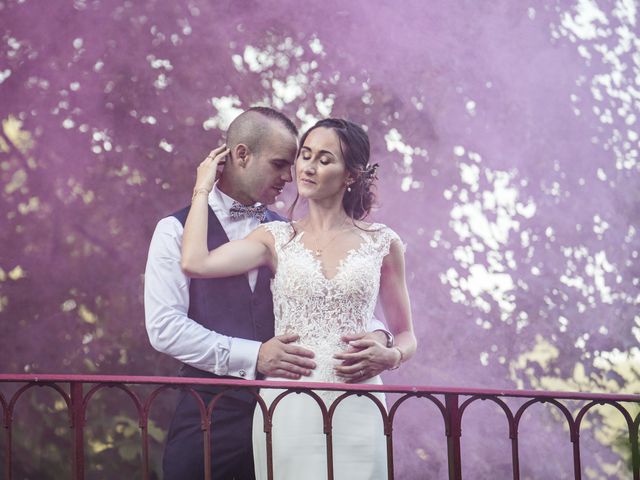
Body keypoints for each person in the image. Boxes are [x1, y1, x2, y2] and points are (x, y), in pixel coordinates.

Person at [144, 108, 396, 479]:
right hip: (211, 415)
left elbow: (332, 301)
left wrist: (380, 337)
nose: (289, 177)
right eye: (281, 164)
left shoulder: (287, 233)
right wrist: (255, 356)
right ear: (242, 155)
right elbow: (164, 328)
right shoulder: (175, 230)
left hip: (293, 414)